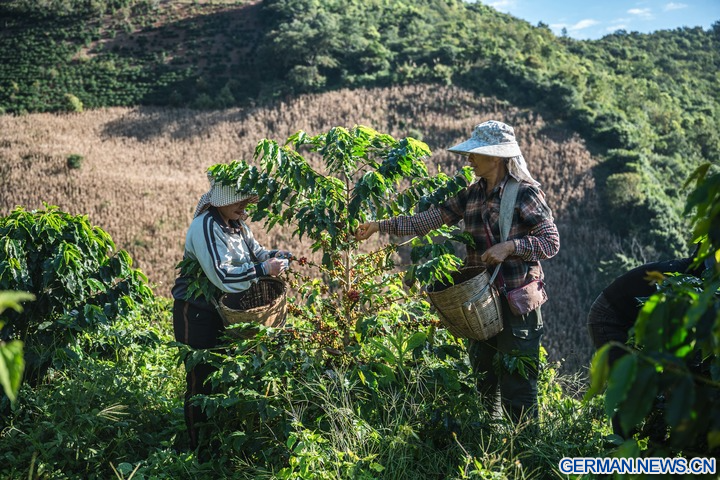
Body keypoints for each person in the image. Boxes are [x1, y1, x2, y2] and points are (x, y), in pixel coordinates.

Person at [355, 120, 560, 422]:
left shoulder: (524, 194)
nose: (470, 158)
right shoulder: (472, 194)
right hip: (481, 303)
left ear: (496, 157)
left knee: (518, 386)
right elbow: (428, 220)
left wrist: (510, 247)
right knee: (485, 381)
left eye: (476, 153)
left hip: (516, 302)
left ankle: (526, 447)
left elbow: (550, 242)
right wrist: (379, 226)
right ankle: (489, 441)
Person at [171, 170, 292, 454]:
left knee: (224, 376)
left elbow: (257, 253)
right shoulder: (206, 226)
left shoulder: (237, 225)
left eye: (246, 200)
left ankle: (219, 444)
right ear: (221, 201)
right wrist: (265, 269)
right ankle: (197, 451)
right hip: (197, 311)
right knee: (201, 379)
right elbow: (223, 276)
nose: (244, 205)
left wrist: (276, 257)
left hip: (223, 310)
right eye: (239, 200)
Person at [587, 253, 709, 437]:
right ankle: (623, 448)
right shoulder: (684, 283)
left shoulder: (701, 282)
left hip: (636, 321)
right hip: (610, 317)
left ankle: (653, 442)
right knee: (632, 390)